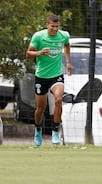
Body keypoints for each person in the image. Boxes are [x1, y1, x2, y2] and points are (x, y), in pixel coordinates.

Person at [26, 14, 72, 146]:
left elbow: (67, 45)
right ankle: (38, 130)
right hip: (41, 76)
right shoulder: (38, 37)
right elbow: (28, 53)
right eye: (52, 27)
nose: (55, 29)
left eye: (57, 27)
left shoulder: (64, 35)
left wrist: (68, 62)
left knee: (58, 100)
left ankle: (55, 131)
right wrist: (39, 53)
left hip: (56, 74)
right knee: (41, 107)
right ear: (47, 25)